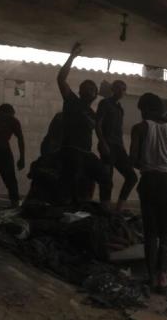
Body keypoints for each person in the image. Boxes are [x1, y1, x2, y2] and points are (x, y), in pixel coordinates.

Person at [129, 93, 167, 291]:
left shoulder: (139, 128)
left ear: (145, 109)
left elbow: (133, 159)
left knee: (150, 231)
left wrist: (148, 162)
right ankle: (163, 275)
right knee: (166, 231)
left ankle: (150, 275)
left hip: (149, 181)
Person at [57, 43, 107, 203]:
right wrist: (72, 56)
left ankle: (102, 211)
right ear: (80, 91)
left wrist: (104, 144)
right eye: (86, 88)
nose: (89, 91)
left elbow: (97, 128)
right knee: (70, 187)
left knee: (105, 178)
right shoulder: (72, 101)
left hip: (86, 153)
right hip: (70, 151)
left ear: (95, 95)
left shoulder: (93, 113)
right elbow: (61, 79)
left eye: (92, 89)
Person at [96, 80, 138, 209]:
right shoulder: (105, 103)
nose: (121, 91)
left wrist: (123, 148)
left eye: (124, 89)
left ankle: (119, 209)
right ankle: (105, 208)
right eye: (119, 88)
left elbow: (118, 131)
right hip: (107, 145)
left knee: (132, 177)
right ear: (113, 89)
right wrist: (102, 143)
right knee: (107, 179)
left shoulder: (120, 108)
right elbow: (98, 124)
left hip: (118, 147)